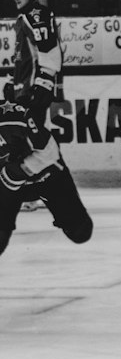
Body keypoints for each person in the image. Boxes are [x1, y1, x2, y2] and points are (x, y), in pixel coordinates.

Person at [0, 95, 92, 256]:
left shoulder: (13, 116)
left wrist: (18, 172)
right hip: (7, 187)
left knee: (80, 231)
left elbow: (48, 153)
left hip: (47, 176)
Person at [8, 0, 62, 125]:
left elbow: (49, 51)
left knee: (33, 140)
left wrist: (44, 82)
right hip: (24, 88)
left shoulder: (38, 15)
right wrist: (14, 80)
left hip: (34, 89)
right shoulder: (23, 18)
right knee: (22, 140)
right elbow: (24, 56)